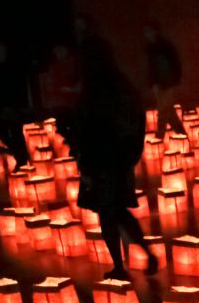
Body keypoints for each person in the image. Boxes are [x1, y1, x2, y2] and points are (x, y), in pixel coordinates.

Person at [67, 39, 158, 280]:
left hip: (101, 160)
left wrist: (82, 158)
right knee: (116, 210)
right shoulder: (122, 84)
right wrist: (132, 153)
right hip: (120, 159)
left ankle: (123, 264)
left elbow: (87, 128)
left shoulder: (94, 89)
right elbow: (138, 118)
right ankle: (141, 255)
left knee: (109, 214)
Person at [0, 38, 32, 169]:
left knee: (15, 131)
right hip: (1, 106)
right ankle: (20, 156)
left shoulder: (11, 66)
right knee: (4, 131)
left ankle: (21, 158)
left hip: (11, 105)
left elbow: (14, 86)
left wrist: (14, 105)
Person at [144, 22, 187, 140]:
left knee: (163, 110)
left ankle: (160, 137)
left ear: (155, 31)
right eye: (146, 32)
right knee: (168, 111)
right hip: (159, 84)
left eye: (149, 31)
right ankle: (182, 134)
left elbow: (173, 64)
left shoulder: (164, 46)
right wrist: (153, 83)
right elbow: (151, 68)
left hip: (168, 83)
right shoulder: (150, 48)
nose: (147, 34)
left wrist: (174, 80)